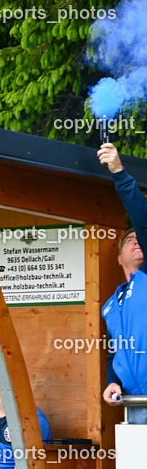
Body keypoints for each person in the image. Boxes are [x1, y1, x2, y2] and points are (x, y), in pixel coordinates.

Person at [98, 143, 147, 421]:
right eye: (130, 240)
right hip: (133, 405)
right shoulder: (109, 305)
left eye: (140, 238)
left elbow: (144, 220)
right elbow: (114, 352)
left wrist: (119, 172)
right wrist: (111, 381)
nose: (137, 241)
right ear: (118, 258)